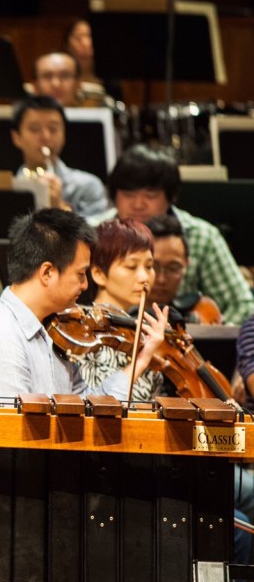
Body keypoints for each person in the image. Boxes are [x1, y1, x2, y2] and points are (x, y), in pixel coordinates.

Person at [0, 207, 167, 398]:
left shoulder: (53, 329)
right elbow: (10, 430)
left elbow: (87, 405)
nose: (85, 285)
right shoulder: (2, 336)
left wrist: (140, 360)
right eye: (80, 274)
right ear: (47, 273)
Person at [90, 144, 254, 324]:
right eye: (129, 195)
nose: (138, 204)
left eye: (150, 196)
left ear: (170, 198)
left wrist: (209, 334)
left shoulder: (202, 236)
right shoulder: (92, 233)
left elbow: (242, 305)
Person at [75, 217, 164, 399]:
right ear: (99, 274)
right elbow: (97, 407)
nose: (144, 276)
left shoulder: (138, 332)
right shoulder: (83, 333)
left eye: (149, 266)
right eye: (131, 266)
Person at [10, 95, 107, 217]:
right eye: (35, 129)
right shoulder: (8, 189)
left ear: (64, 133)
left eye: (53, 129)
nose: (45, 136)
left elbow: (95, 234)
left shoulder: (88, 186)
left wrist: (60, 206)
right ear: (16, 137)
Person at [145, 212, 223, 324]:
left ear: (186, 265)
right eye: (153, 266)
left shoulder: (198, 312)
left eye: (172, 268)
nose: (161, 279)